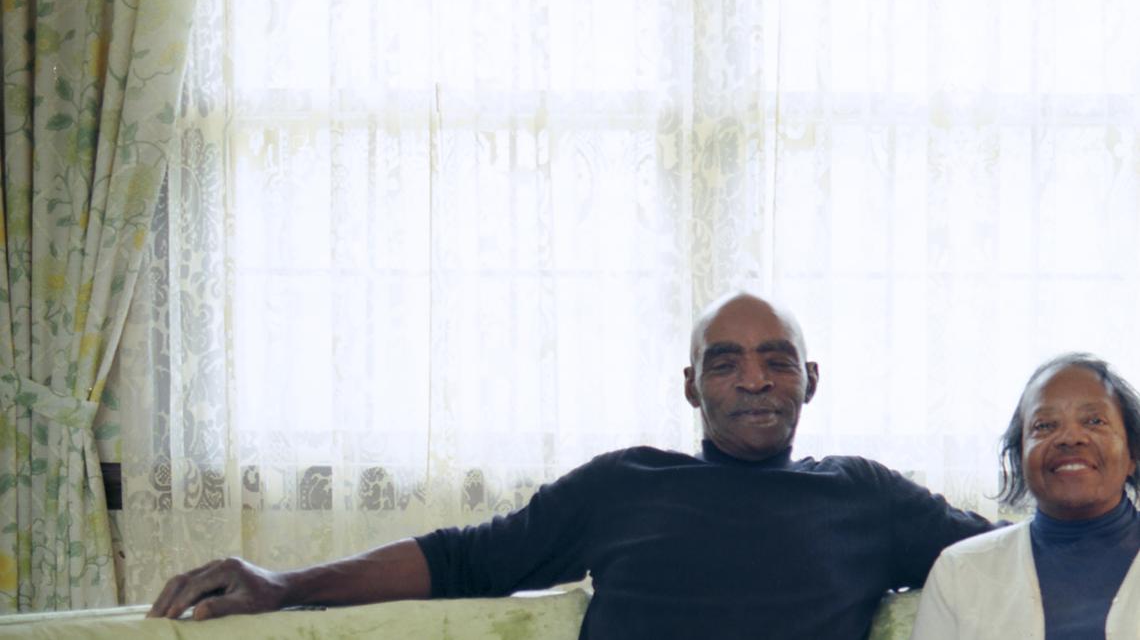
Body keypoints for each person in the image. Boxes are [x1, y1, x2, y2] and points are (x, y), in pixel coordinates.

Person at [149, 292, 992, 637]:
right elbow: (464, 558)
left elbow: (1002, 562)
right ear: (691, 387)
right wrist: (286, 583)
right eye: (725, 363)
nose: (754, 381)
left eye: (775, 360)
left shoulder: (863, 495)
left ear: (809, 380)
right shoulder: (624, 484)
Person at [911, 353, 1140, 639]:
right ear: (1020, 459)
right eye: (1044, 426)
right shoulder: (960, 570)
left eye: (1094, 421)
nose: (1070, 437)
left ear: (1132, 454)